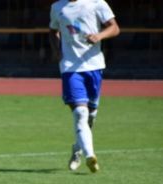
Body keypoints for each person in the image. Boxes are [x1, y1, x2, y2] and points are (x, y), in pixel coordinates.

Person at [49, 0, 120, 173]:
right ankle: (90, 156)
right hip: (70, 68)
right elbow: (53, 30)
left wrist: (99, 36)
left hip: (94, 66)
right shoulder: (57, 7)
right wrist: (56, 50)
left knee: (90, 117)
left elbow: (114, 28)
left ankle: (77, 149)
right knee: (80, 112)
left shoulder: (97, 3)